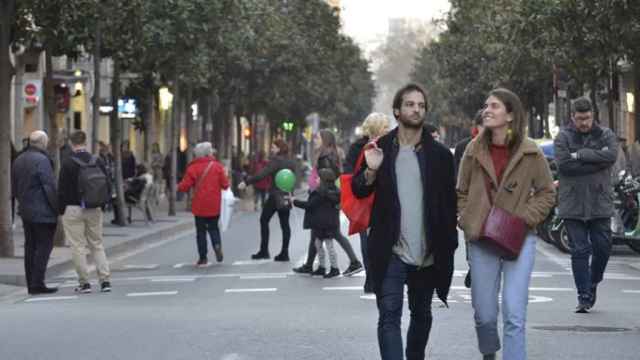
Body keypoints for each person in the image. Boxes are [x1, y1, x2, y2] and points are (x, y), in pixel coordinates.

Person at [352, 83, 458, 360]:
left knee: (421, 315)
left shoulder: (441, 156)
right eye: (410, 104)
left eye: (421, 105)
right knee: (389, 316)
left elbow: (449, 205)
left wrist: (449, 245)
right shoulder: (381, 148)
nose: (416, 109)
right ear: (397, 111)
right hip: (391, 251)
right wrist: (372, 171)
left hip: (426, 253)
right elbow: (358, 189)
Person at [457, 88, 555, 360]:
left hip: (520, 238)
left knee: (514, 313)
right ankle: (489, 352)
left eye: (495, 106)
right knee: (485, 314)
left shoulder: (530, 152)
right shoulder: (473, 150)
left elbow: (547, 192)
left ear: (510, 115)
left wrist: (526, 218)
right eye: (486, 105)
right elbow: (460, 191)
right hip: (482, 239)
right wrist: (467, 219)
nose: (487, 110)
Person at [553, 97, 618, 313]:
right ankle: (583, 295)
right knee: (579, 250)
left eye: (587, 118)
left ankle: (593, 281)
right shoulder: (563, 137)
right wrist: (597, 163)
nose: (584, 123)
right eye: (580, 119)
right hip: (572, 203)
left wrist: (581, 155)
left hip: (600, 201)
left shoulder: (606, 134)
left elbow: (611, 156)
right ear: (573, 117)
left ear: (593, 116)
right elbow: (564, 166)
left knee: (603, 248)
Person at [293, 129, 364, 276]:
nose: (315, 139)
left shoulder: (327, 156)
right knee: (317, 232)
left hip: (325, 198)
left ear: (325, 140)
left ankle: (354, 262)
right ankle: (309, 265)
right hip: (326, 197)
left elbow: (330, 177)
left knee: (334, 233)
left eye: (318, 137)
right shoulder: (328, 154)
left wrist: (320, 187)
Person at [341, 112, 391, 292]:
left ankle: (380, 277)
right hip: (365, 198)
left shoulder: (390, 145)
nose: (387, 130)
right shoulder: (358, 147)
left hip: (385, 199)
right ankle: (371, 278)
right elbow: (349, 172)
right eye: (384, 126)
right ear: (376, 128)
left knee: (384, 241)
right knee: (367, 240)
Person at [59, 130, 112, 294]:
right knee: (97, 244)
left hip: (73, 208)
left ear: (71, 143)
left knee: (78, 246)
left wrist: (61, 210)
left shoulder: (67, 163)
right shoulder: (97, 160)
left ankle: (85, 283)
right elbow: (107, 184)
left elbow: (61, 189)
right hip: (94, 207)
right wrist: (103, 204)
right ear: (85, 141)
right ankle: (105, 281)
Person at [11, 131, 59, 295]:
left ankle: (31, 283)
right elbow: (49, 186)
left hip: (26, 210)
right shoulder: (42, 160)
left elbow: (15, 186)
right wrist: (56, 208)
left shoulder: (19, 159)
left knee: (30, 247)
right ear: (43, 143)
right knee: (44, 246)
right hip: (43, 211)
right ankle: (38, 282)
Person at [238, 139, 296, 261]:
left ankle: (264, 251)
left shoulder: (275, 161)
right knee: (285, 225)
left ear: (279, 149)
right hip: (286, 195)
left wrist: (247, 182)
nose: (271, 149)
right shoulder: (291, 162)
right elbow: (292, 178)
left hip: (275, 196)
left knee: (264, 220)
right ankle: (284, 253)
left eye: (273, 147)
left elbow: (261, 174)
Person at [178, 142, 230, 266]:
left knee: (200, 231)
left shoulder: (193, 168)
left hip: (199, 205)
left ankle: (203, 257)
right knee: (213, 228)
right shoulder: (217, 167)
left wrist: (178, 187)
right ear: (208, 153)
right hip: (214, 204)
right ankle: (217, 245)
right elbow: (225, 185)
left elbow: (184, 186)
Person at [454, 109, 484, 289]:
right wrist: (459, 208)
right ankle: (474, 268)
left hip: (495, 207)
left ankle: (481, 272)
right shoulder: (464, 147)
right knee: (471, 243)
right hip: (470, 206)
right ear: (476, 127)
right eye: (483, 125)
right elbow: (456, 178)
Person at [293, 168, 342, 278]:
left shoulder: (320, 192)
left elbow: (310, 205)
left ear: (324, 180)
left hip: (320, 223)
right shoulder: (335, 191)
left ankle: (331, 268)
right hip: (329, 222)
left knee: (322, 246)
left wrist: (295, 201)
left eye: (318, 178)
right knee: (324, 245)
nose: (316, 179)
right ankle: (326, 267)